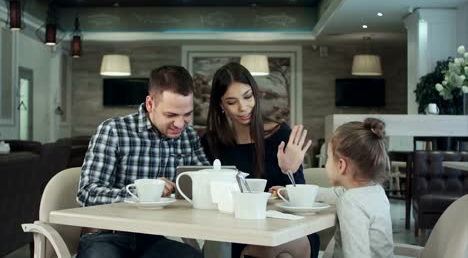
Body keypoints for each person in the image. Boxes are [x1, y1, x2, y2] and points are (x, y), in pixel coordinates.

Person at [76, 65, 208, 258]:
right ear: (150, 104)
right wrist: (143, 193)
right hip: (106, 235)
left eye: (187, 114)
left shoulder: (188, 136)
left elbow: (203, 181)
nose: (180, 124)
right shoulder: (114, 130)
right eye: (171, 115)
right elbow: (87, 193)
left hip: (154, 236)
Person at [200, 62, 317, 258]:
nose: (243, 108)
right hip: (236, 231)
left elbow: (300, 201)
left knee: (273, 247)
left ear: (255, 95)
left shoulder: (280, 135)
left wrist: (291, 170)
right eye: (231, 102)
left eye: (247, 97)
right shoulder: (211, 143)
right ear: (220, 105)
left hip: (286, 227)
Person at [315, 118, 394, 257]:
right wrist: (287, 192)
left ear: (341, 165)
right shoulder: (375, 191)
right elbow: (332, 194)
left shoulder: (351, 201)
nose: (326, 163)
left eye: (327, 157)